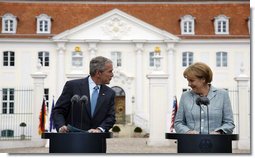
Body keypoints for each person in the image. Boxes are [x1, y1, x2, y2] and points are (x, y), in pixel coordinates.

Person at [52, 56, 116, 133]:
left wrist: (99, 129)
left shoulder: (110, 93)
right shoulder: (72, 86)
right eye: (110, 71)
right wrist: (61, 126)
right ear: (98, 73)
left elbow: (111, 117)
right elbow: (59, 111)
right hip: (72, 140)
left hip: (97, 141)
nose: (112, 75)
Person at [174, 62, 235, 134]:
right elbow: (178, 123)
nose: (189, 84)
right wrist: (188, 132)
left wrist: (219, 132)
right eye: (188, 81)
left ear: (203, 79)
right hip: (190, 143)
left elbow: (229, 123)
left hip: (216, 143)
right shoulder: (185, 96)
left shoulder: (222, 95)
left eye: (191, 80)